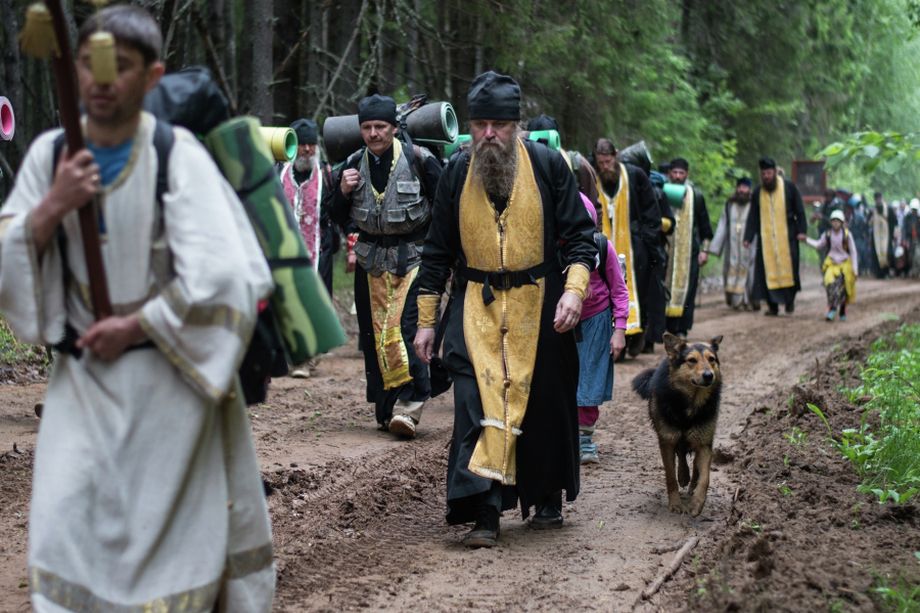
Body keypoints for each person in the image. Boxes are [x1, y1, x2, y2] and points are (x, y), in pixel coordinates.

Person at [0, 6, 275, 609]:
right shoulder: (52, 156)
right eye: (89, 65)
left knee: (172, 562)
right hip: (81, 390)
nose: (100, 81)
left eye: (118, 67)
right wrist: (54, 206)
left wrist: (138, 324)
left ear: (152, 77)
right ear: (72, 69)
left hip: (170, 391)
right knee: (67, 532)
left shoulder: (177, 156)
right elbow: (7, 254)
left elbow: (226, 276)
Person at [413, 71, 596, 547]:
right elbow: (435, 252)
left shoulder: (549, 165)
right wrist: (427, 322)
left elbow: (580, 237)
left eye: (498, 124)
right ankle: (485, 514)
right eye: (480, 124)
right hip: (476, 304)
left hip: (540, 299)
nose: (488, 134)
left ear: (515, 126)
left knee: (545, 402)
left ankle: (547, 497)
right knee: (474, 403)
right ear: (469, 127)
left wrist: (574, 291)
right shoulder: (456, 171)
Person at [329, 94, 442, 439]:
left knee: (406, 329)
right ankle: (387, 406)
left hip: (415, 258)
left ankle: (411, 406)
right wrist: (342, 193)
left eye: (380, 127)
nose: (374, 133)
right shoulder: (350, 165)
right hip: (371, 261)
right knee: (376, 336)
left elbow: (443, 210)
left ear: (394, 127)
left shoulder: (420, 160)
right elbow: (334, 217)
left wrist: (443, 262)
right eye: (367, 127)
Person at [593, 138, 664, 354]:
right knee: (605, 291)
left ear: (615, 156)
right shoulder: (591, 176)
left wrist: (645, 239)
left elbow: (651, 211)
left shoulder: (635, 175)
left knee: (638, 291)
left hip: (634, 248)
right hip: (603, 246)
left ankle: (637, 335)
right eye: (601, 162)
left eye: (608, 161)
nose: (605, 167)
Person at [576, 193, 628, 464]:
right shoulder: (553, 245)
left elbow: (619, 290)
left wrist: (619, 329)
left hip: (596, 320)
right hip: (560, 321)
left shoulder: (601, 246)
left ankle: (584, 441)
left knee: (589, 381)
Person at [743, 157, 807, 316]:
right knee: (765, 272)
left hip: (788, 238)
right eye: (763, 174)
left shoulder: (789, 187)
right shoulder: (758, 192)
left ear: (774, 171)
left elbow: (800, 210)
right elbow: (753, 216)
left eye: (769, 173)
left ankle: (789, 301)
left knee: (790, 270)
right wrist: (748, 237)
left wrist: (802, 231)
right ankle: (773, 307)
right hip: (766, 242)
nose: (766, 176)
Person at [280, 117, 337, 294]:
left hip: (319, 256)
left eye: (311, 144)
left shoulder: (327, 176)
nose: (307, 149)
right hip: (285, 257)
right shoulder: (279, 173)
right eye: (302, 144)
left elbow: (339, 211)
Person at [663, 157, 713, 337]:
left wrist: (704, 251)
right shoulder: (662, 192)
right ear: (669, 174)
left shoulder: (696, 197)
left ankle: (681, 328)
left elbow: (705, 228)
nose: (677, 176)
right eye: (674, 173)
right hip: (666, 253)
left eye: (681, 173)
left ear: (687, 174)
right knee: (663, 288)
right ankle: (663, 327)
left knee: (687, 291)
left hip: (689, 253)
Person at [525, 114, 600, 218]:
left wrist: (594, 233)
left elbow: (595, 208)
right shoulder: (523, 167)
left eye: (546, 142)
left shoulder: (577, 165)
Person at [709, 177, 758, 310]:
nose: (742, 190)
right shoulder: (729, 205)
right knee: (731, 269)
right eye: (740, 187)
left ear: (749, 189)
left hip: (750, 246)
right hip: (732, 246)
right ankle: (735, 300)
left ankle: (748, 300)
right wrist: (714, 247)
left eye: (745, 187)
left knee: (750, 272)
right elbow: (722, 225)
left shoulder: (754, 205)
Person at [803, 210, 858, 321]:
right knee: (830, 285)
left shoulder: (847, 235)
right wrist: (806, 240)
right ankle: (832, 308)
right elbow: (819, 245)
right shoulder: (827, 234)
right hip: (832, 264)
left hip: (845, 265)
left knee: (843, 288)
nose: (835, 223)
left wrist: (855, 269)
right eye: (833, 221)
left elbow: (853, 251)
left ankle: (841, 309)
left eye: (837, 221)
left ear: (842, 222)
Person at [869, 191, 891, 278]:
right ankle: (879, 274)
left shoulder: (888, 209)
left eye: (879, 198)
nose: (878, 200)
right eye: (876, 199)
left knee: (887, 253)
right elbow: (869, 222)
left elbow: (893, 222)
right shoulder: (872, 210)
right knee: (877, 254)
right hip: (876, 236)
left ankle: (886, 273)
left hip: (886, 235)